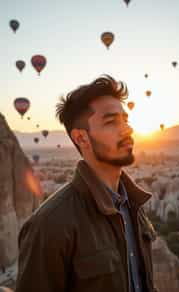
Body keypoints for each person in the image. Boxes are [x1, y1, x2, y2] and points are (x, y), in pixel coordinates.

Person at [15, 75, 158, 292]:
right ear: (82, 138)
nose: (127, 129)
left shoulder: (133, 207)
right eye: (111, 122)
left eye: (125, 120)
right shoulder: (50, 224)